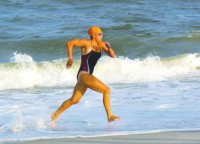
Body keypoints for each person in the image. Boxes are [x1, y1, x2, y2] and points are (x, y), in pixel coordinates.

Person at [51, 26, 120, 125]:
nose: (102, 36)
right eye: (100, 34)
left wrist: (109, 48)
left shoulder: (101, 44)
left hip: (86, 76)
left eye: (102, 34)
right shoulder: (87, 43)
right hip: (83, 74)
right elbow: (70, 43)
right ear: (93, 35)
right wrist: (70, 58)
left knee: (74, 100)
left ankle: (55, 114)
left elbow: (112, 55)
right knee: (106, 90)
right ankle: (109, 116)